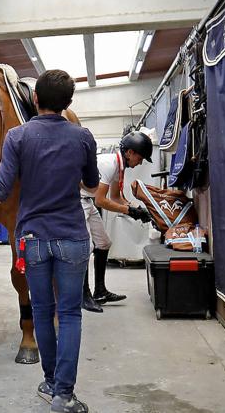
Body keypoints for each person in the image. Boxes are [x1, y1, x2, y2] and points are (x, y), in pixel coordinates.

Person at [0, 70, 98, 413]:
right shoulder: (83, 136)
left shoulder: (16, 136)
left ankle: (49, 382)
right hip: (72, 237)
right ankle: (64, 394)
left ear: (35, 100)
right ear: (69, 103)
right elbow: (91, 184)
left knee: (42, 313)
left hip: (34, 240)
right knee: (69, 315)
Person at [80, 131, 153, 313]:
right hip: (78, 202)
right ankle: (84, 296)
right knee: (85, 247)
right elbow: (101, 201)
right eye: (141, 157)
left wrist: (138, 209)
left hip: (88, 201)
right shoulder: (108, 164)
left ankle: (100, 291)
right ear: (129, 152)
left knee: (104, 243)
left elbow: (115, 197)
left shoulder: (118, 166)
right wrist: (129, 211)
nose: (141, 162)